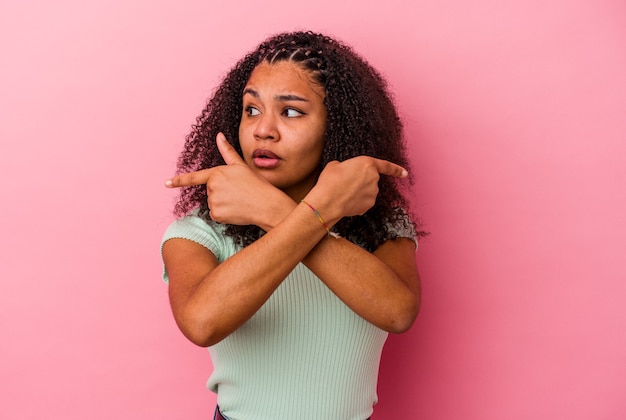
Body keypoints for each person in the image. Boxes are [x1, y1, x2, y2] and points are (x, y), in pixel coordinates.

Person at [161, 30, 425, 420]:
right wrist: (317, 209)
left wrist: (272, 209)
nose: (262, 130)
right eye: (251, 110)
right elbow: (202, 322)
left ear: (335, 127)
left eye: (291, 111)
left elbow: (398, 311)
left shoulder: (382, 227)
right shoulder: (200, 231)